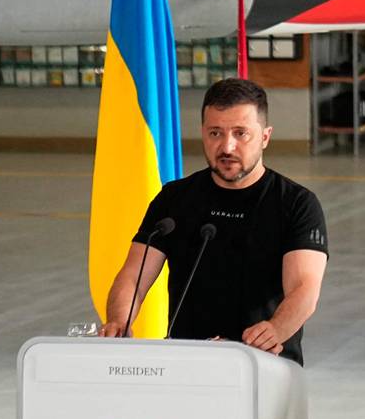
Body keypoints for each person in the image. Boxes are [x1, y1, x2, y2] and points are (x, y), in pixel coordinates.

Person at [101, 77, 327, 364]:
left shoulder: (296, 203)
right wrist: (119, 322)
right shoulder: (174, 199)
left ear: (265, 137)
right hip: (187, 362)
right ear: (203, 133)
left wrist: (274, 330)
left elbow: (304, 289)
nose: (227, 147)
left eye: (241, 133)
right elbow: (134, 275)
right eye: (216, 133)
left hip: (265, 363)